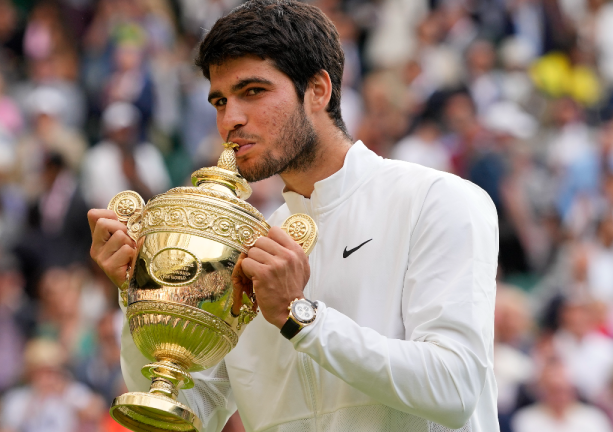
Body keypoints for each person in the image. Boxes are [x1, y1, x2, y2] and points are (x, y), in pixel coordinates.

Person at [88, 1, 499, 431]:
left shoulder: (438, 200)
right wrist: (143, 293)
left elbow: (454, 388)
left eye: (253, 91)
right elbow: (188, 413)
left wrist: (300, 316)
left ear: (318, 90)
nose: (230, 119)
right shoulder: (242, 244)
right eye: (219, 101)